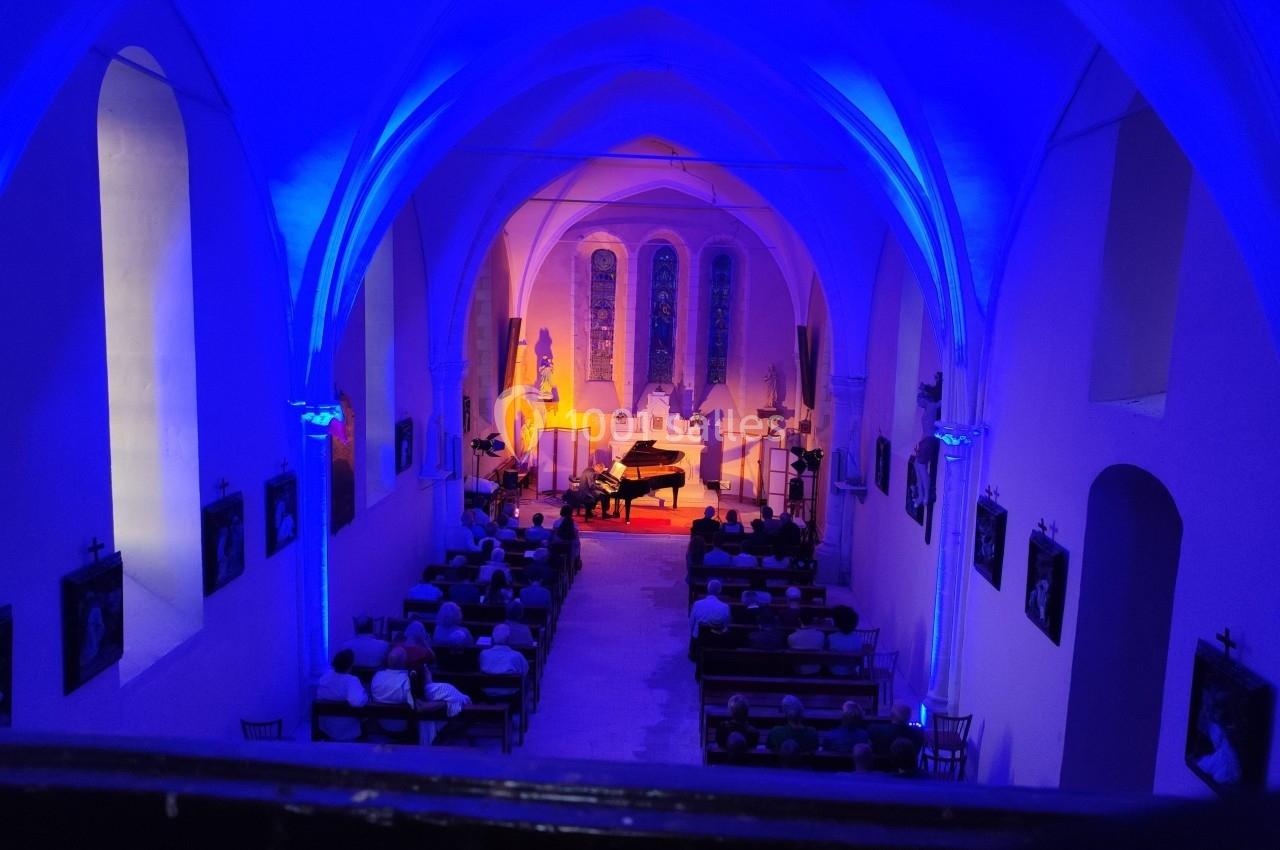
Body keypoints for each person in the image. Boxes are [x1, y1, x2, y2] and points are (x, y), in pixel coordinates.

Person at [314, 649, 369, 742]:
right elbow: (357, 702)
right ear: (351, 665)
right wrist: (366, 695)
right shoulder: (351, 680)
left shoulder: (325, 677)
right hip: (345, 725)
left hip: (325, 724)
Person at [369, 647, 422, 739]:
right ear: (405, 661)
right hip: (403, 724)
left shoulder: (377, 676)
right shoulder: (408, 679)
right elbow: (414, 705)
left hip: (380, 722)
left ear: (388, 661)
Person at [478, 623, 529, 699]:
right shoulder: (517, 655)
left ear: (492, 638)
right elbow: (525, 670)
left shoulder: (483, 654)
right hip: (511, 691)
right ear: (508, 639)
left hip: (487, 690)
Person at [825, 605, 866, 676]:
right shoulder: (858, 639)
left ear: (837, 622)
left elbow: (827, 658)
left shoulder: (831, 638)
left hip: (833, 673)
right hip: (850, 673)